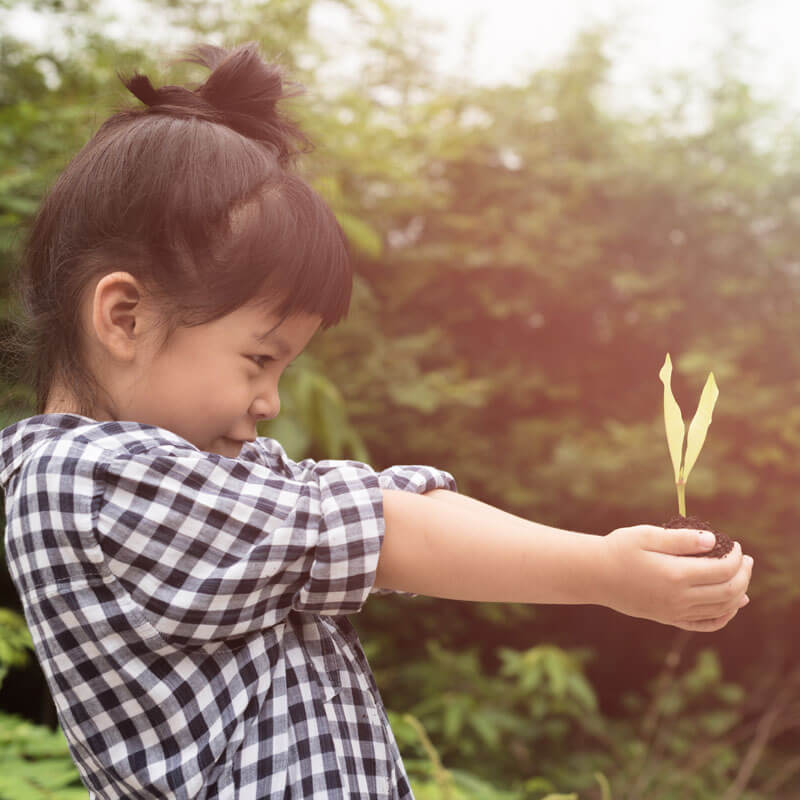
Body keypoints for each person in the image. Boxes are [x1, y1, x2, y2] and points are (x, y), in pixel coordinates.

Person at [0, 42, 753, 800]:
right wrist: (604, 573)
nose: (272, 402)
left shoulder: (196, 473)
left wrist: (612, 558)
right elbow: (383, 529)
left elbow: (393, 504)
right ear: (124, 317)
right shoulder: (88, 483)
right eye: (260, 359)